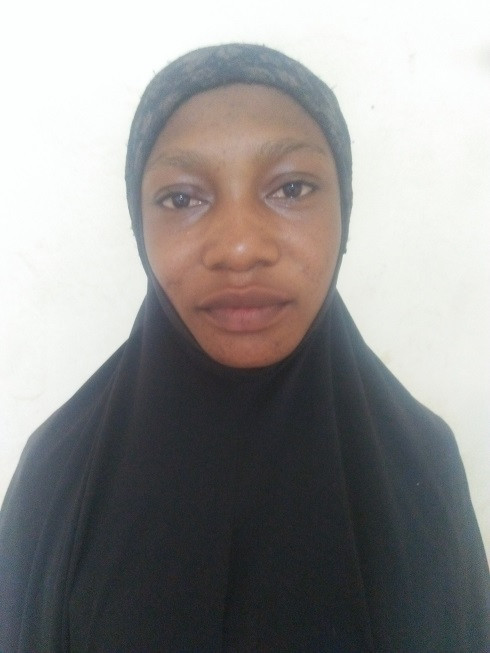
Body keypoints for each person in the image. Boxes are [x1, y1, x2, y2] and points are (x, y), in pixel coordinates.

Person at [0, 43, 488, 652]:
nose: (239, 249)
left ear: (344, 210)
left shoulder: (425, 468)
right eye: (182, 198)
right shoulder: (59, 477)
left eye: (292, 189)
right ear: (139, 224)